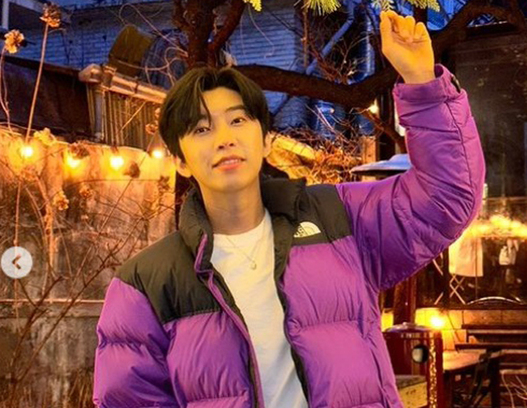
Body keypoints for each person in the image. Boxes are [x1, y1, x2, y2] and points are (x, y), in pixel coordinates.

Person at [92, 10, 485, 408]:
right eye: (202, 128)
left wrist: (422, 83)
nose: (225, 138)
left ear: (265, 140)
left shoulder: (337, 218)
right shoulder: (145, 283)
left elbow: (446, 198)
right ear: (180, 160)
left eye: (238, 120)